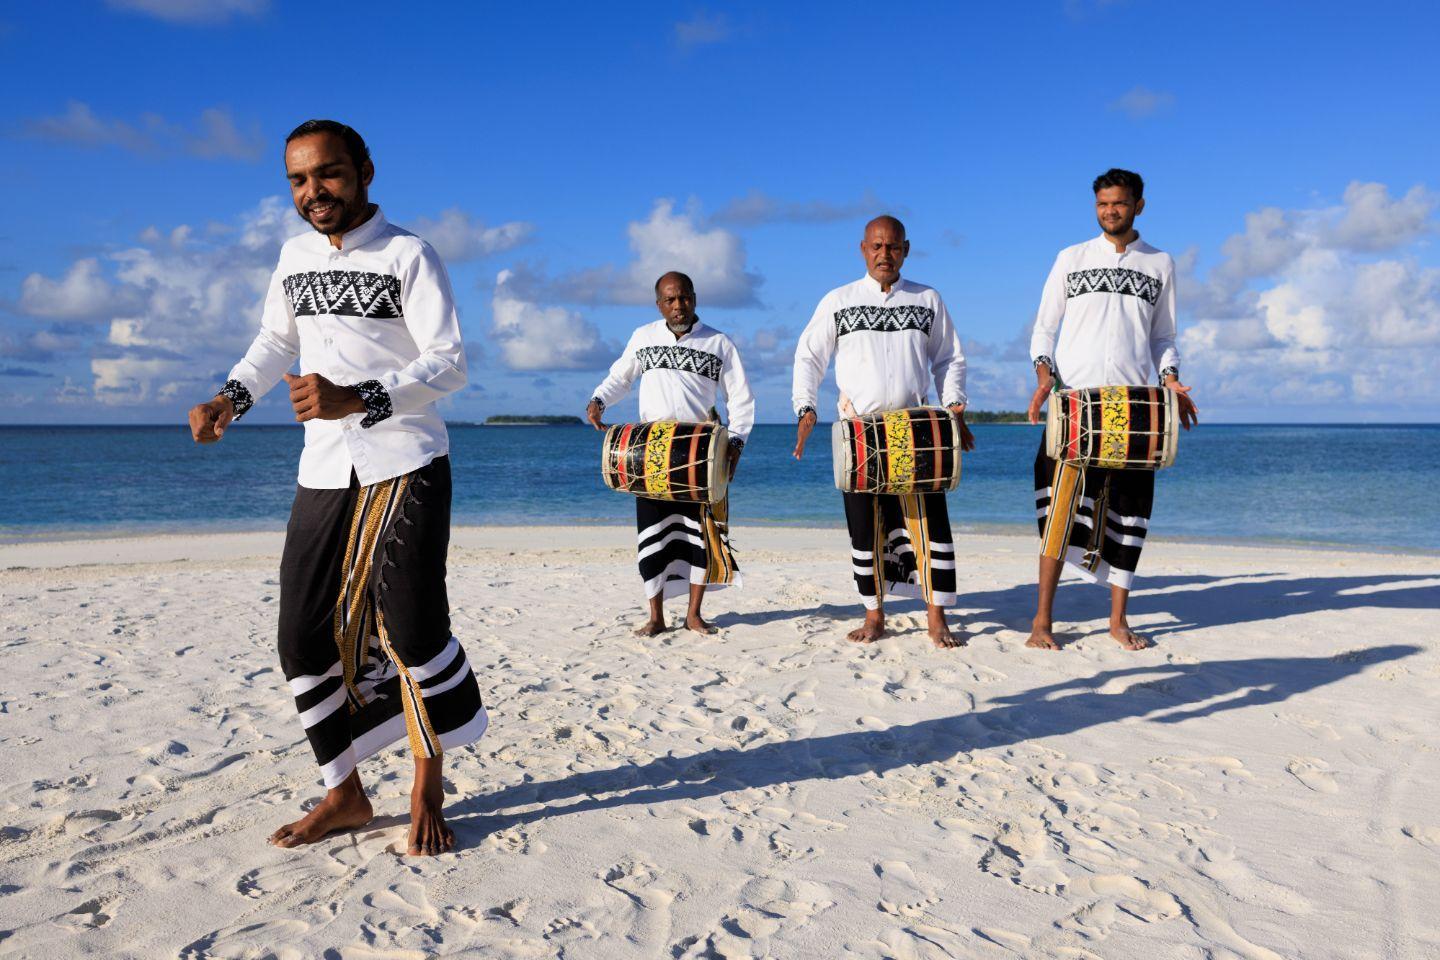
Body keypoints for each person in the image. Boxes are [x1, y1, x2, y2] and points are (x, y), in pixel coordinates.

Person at [187, 119, 487, 856]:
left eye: (327, 174)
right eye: (298, 179)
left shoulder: (410, 255)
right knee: (299, 638)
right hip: (323, 467)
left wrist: (359, 397)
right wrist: (231, 397)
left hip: (407, 460)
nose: (313, 192)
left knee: (412, 630)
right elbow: (275, 344)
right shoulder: (292, 257)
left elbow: (450, 363)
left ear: (364, 171)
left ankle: (427, 781)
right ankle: (346, 792)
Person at [1025, 167, 1199, 651]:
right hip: (1075, 403)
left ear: (1139, 205)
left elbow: (1164, 337)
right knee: (1058, 511)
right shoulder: (1071, 258)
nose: (1110, 212)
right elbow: (1044, 329)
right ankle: (1042, 621)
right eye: (1102, 204)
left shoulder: (1160, 263)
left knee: (1130, 511)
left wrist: (1170, 382)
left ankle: (1117, 620)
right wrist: (1045, 375)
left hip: (1134, 407)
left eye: (1119, 203)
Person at [792, 216, 974, 649]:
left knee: (929, 525)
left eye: (892, 247)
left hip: (917, 429)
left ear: (906, 250)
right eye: (876, 246)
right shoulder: (839, 300)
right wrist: (806, 409)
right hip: (860, 433)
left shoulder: (927, 298)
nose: (884, 255)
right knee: (864, 527)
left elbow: (950, 359)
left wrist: (954, 407)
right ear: (863, 249)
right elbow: (809, 358)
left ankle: (936, 618)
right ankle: (874, 616)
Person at [586, 272, 755, 636]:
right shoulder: (643, 337)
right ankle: (656, 617)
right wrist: (599, 399)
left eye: (684, 298)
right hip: (649, 452)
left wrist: (736, 442)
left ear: (694, 297)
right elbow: (621, 376)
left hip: (699, 452)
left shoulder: (719, 343)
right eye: (670, 300)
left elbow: (740, 397)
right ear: (659, 304)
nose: (678, 306)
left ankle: (694, 614)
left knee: (697, 535)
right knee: (653, 534)